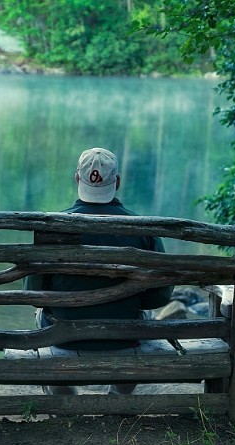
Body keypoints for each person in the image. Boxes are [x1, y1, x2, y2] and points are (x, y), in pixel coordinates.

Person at [24, 147, 172, 395]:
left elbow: (33, 293)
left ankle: (64, 399)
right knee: (141, 319)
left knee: (41, 314)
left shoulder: (53, 228)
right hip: (124, 338)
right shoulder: (143, 228)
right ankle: (120, 395)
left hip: (64, 337)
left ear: (77, 178)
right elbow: (160, 297)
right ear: (117, 181)